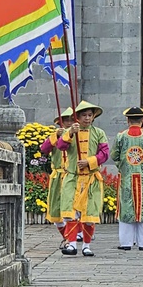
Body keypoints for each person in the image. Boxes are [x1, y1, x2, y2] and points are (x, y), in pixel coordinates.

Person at [57, 100, 109, 257]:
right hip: (72, 177)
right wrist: (70, 133)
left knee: (89, 214)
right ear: (77, 117)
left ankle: (86, 245)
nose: (87, 118)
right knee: (70, 212)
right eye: (84, 115)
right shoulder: (70, 132)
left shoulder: (99, 133)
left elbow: (105, 153)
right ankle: (72, 244)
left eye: (90, 115)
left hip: (91, 178)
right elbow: (61, 146)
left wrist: (89, 161)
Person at [111, 107, 143, 251]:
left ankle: (126, 243)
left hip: (127, 178)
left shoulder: (121, 136)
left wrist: (122, 165)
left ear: (128, 120)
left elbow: (114, 155)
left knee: (126, 208)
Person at [39, 107, 73, 247]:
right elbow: (44, 149)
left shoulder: (79, 135)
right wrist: (55, 136)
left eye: (72, 120)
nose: (69, 123)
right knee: (56, 211)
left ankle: (75, 238)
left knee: (71, 210)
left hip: (72, 175)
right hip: (58, 176)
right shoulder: (56, 135)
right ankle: (67, 237)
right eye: (66, 120)